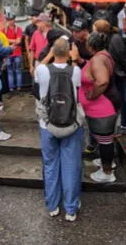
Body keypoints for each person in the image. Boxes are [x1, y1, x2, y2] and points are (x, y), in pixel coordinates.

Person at [35, 38, 84, 221]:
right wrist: (73, 58)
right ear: (69, 53)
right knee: (71, 165)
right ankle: (70, 208)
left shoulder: (42, 70)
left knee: (50, 165)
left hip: (47, 125)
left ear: (53, 52)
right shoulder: (76, 71)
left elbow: (37, 71)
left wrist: (48, 55)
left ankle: (53, 205)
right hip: (71, 125)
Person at [80, 32, 121, 184]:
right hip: (106, 105)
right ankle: (107, 162)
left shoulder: (97, 59)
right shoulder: (104, 55)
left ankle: (107, 172)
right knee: (105, 139)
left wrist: (92, 95)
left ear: (90, 46)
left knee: (105, 141)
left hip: (102, 107)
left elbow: (102, 81)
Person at [94, 19, 126, 151]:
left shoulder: (115, 40)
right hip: (119, 75)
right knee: (123, 102)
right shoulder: (108, 38)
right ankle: (124, 126)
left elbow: (124, 60)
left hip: (125, 76)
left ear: (101, 31)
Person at [4, 14, 24, 93]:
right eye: (9, 20)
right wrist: (14, 40)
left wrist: (8, 40)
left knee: (18, 70)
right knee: (10, 71)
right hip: (8, 54)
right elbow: (2, 40)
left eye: (11, 20)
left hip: (17, 53)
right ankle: (11, 88)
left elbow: (19, 41)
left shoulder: (18, 29)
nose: (10, 21)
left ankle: (19, 88)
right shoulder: (3, 30)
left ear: (14, 20)